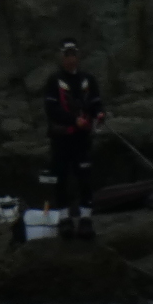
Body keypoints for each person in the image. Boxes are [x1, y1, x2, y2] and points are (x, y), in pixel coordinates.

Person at [43, 39, 107, 239]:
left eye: (73, 54)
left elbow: (96, 103)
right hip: (61, 139)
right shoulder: (53, 81)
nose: (70, 59)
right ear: (61, 57)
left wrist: (100, 114)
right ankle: (64, 219)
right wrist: (73, 120)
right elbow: (51, 110)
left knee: (85, 179)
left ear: (78, 56)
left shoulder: (88, 79)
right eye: (67, 55)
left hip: (82, 139)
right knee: (60, 179)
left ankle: (86, 220)